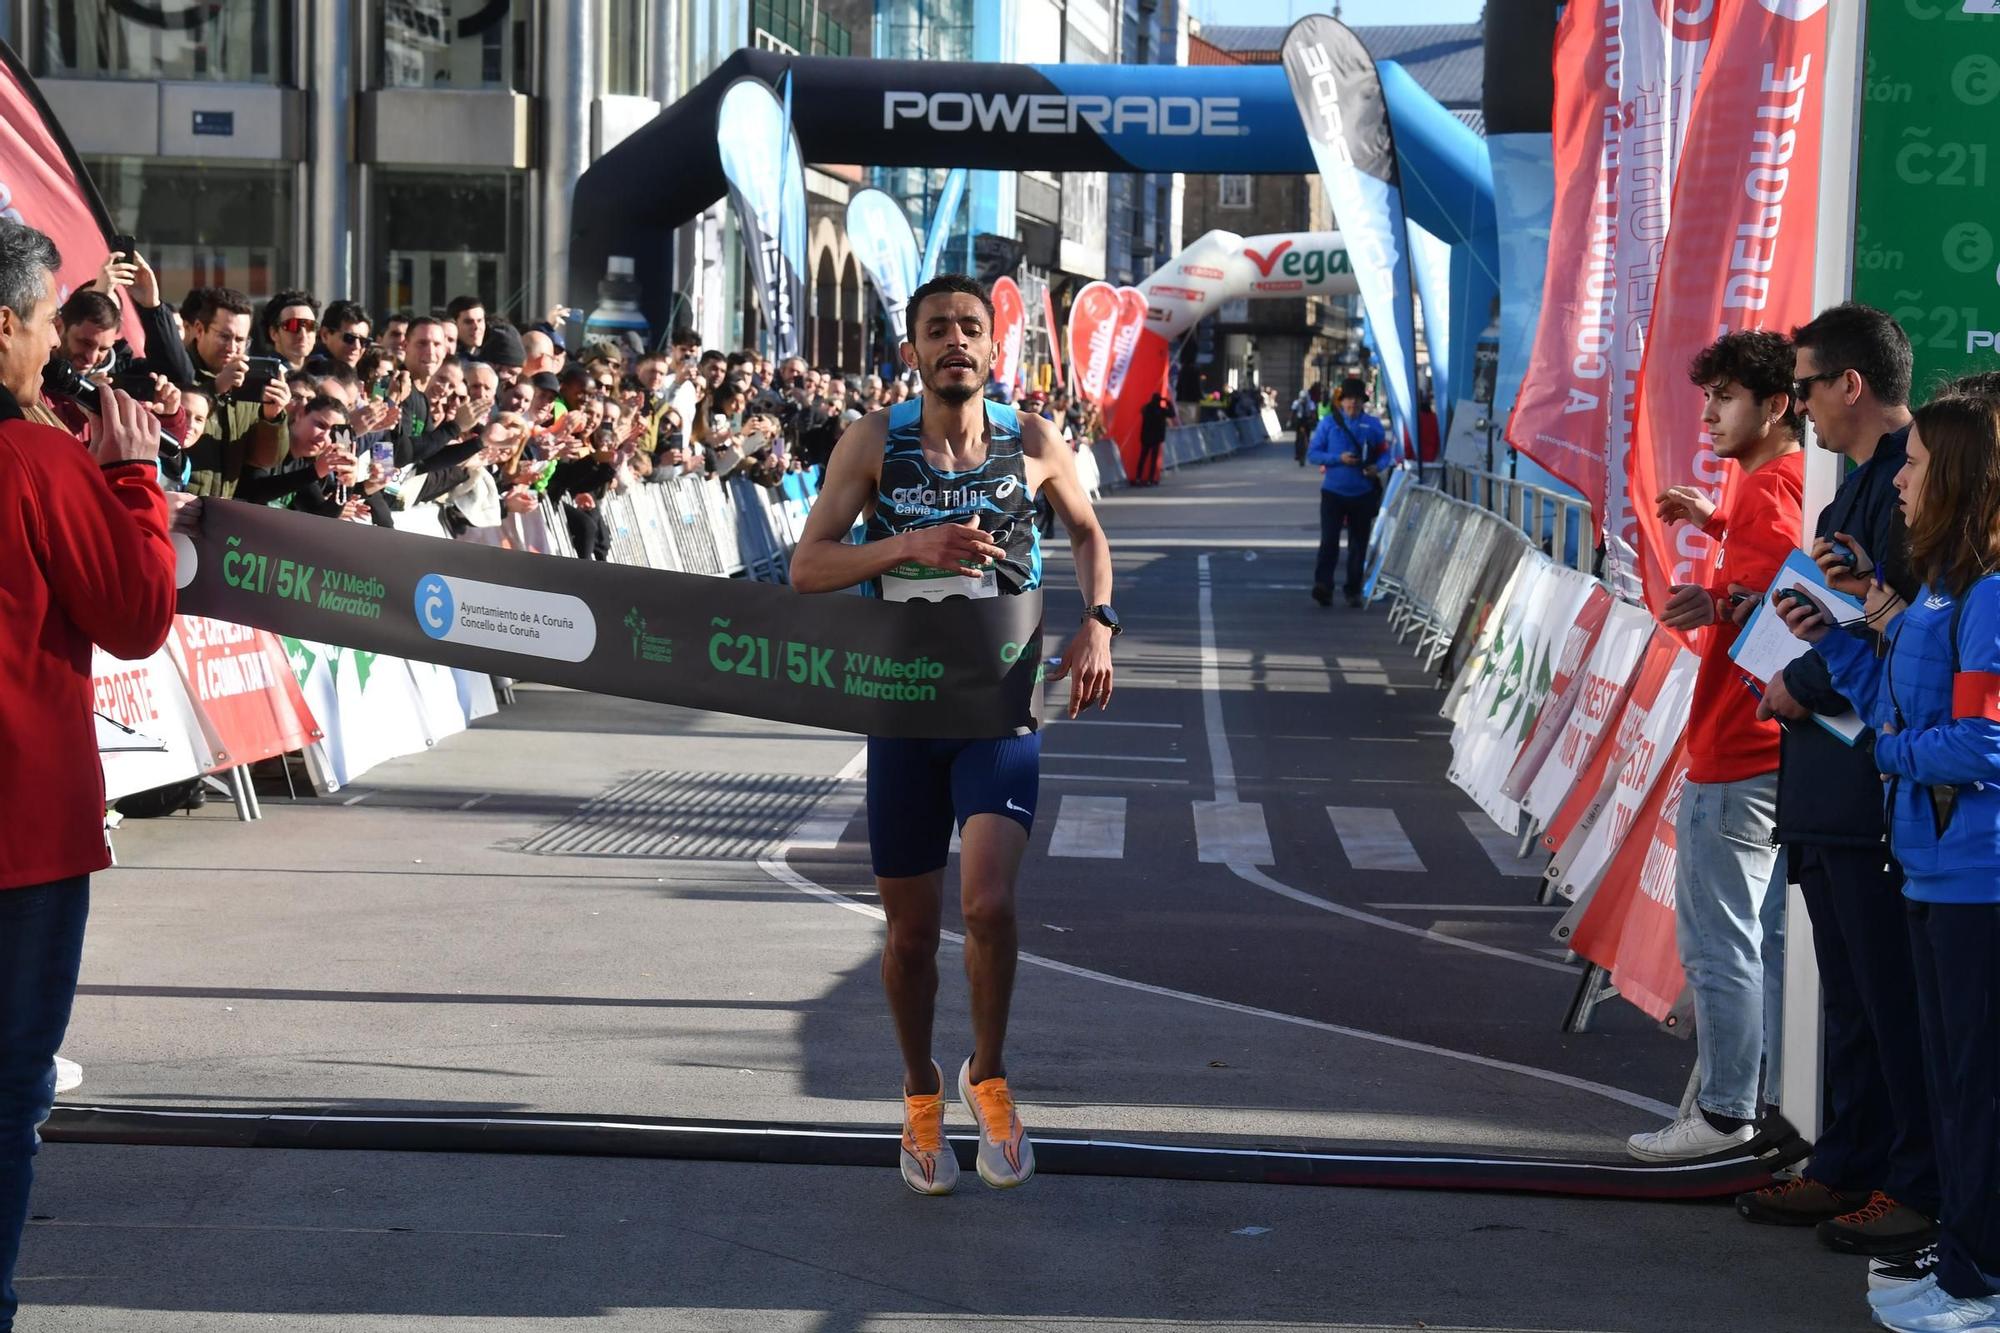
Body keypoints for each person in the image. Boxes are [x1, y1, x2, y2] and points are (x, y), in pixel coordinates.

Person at [789, 273, 1116, 1197]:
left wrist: (1099, 620)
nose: (956, 343)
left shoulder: (1034, 440)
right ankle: (922, 1087)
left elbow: (1089, 533)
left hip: (999, 705)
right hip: (901, 709)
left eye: (971, 328)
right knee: (908, 935)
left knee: (989, 905)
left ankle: (990, 1072)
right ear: (914, 350)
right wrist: (906, 547)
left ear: (993, 347)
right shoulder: (875, 441)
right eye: (938, 330)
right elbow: (808, 566)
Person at [1779, 393, 2000, 1333]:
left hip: (1976, 880)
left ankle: (1978, 1277)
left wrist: (1889, 756)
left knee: (1977, 1089)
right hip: (1927, 871)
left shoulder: (1986, 594)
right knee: (1952, 1085)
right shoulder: (1945, 585)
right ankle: (1961, 1259)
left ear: (1956, 476)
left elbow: (1982, 744)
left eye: (1912, 467)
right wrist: (1832, 636)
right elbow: (1894, 704)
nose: (1898, 482)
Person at [0, 215, 178, 1333]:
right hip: (22, 828)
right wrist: (134, 479)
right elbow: (137, 612)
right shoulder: (38, 459)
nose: (47, 345)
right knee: (10, 1091)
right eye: (36, 322)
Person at [1731, 304, 1938, 1259]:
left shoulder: (1911, 486)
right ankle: (1851, 1158)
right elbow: (1828, 606)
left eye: (1805, 385)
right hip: (1828, 782)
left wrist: (1795, 682)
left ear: (1850, 384)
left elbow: (1887, 628)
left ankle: (1907, 1178)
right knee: (1852, 997)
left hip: (1870, 784)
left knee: (1889, 1001)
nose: (1798, 403)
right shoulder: (1855, 490)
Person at [1625, 329, 1804, 1163]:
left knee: (1720, 944)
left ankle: (1726, 1111)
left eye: (1723, 398)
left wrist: (1723, 601)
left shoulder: (1771, 491)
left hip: (1736, 750)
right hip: (1767, 753)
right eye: (1706, 397)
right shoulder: (1775, 484)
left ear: (1776, 406)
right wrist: (1716, 514)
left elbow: (1783, 595)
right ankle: (1756, 1106)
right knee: (1757, 944)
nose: (1707, 414)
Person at [1306, 377, 1389, 608]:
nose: (1352, 404)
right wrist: (1337, 459)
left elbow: (1385, 454)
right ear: (1341, 401)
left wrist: (1377, 468)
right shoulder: (1328, 424)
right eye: (1348, 400)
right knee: (1329, 541)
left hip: (1362, 493)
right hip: (1333, 492)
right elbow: (1313, 454)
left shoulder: (1372, 425)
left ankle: (1353, 590)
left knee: (1358, 544)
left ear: (1363, 402)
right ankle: (1323, 585)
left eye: (1357, 400)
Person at [1138, 391, 1174, 486]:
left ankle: (1139, 477)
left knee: (1143, 458)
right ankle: (1150, 478)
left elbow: (1142, 410)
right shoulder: (1161, 410)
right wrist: (1168, 403)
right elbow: (1172, 414)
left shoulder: (1147, 408)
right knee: (1153, 460)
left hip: (1146, 436)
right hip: (1156, 438)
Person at [1291, 385, 1317, 465]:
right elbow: (1293, 413)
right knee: (1298, 438)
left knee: (1308, 437)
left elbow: (1313, 413)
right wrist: (1291, 421)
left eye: (1305, 398)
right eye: (1302, 398)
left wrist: (1314, 420)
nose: (1303, 400)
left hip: (1307, 420)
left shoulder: (1311, 403)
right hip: (1299, 420)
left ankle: (1307, 451)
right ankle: (1297, 453)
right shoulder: (1296, 403)